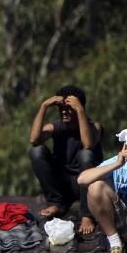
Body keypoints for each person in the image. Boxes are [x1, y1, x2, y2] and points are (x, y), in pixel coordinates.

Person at [28, 85, 103, 235]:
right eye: (61, 109)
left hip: (85, 184)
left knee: (85, 155)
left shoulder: (94, 127)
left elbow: (88, 144)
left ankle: (87, 214)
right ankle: (57, 202)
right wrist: (44, 106)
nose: (64, 112)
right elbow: (34, 140)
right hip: (63, 183)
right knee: (36, 151)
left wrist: (80, 110)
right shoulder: (56, 127)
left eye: (69, 108)